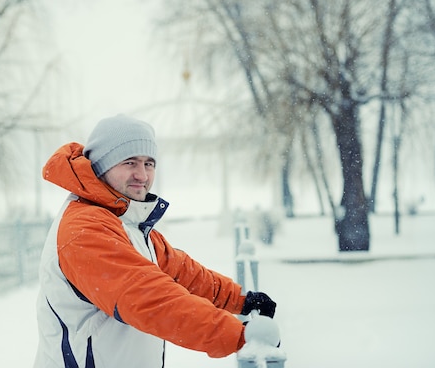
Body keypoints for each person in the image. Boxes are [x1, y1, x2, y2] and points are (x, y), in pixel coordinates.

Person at [33, 114, 277, 368]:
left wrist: (240, 300)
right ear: (101, 166)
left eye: (149, 163)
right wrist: (237, 335)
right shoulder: (85, 229)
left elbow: (183, 273)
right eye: (130, 162)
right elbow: (151, 299)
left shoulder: (123, 220)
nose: (142, 174)